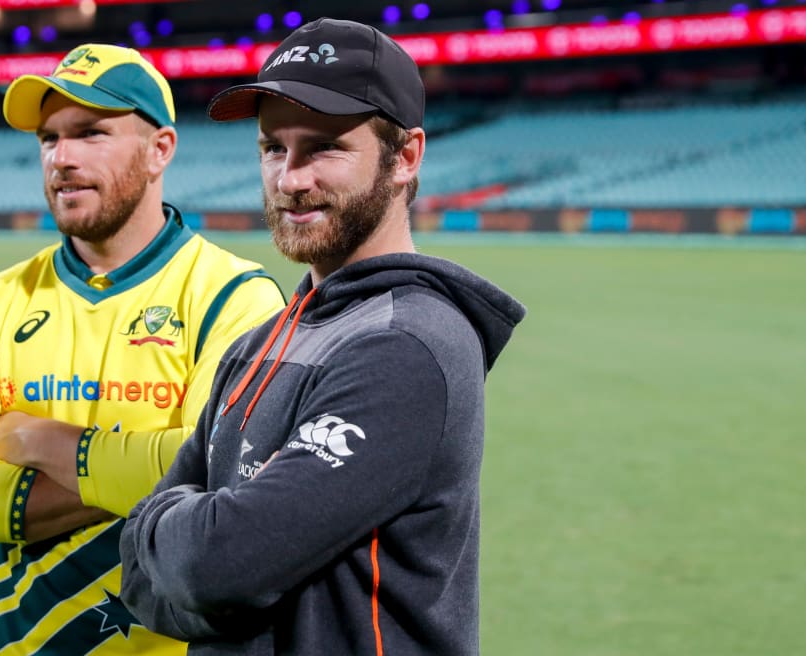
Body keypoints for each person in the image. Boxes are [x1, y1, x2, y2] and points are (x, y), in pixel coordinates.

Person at [119, 18, 527, 655]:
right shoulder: (258, 342)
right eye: (273, 148)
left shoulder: (410, 345)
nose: (290, 179)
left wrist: (174, 533)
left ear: (407, 157)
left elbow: (212, 569)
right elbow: (142, 585)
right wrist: (185, 547)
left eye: (325, 147)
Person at [0, 43, 286, 655]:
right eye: (49, 138)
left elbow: (222, 484)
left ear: (160, 149)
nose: (62, 158)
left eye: (91, 133)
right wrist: (155, 477)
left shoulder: (235, 300)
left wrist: (40, 443)